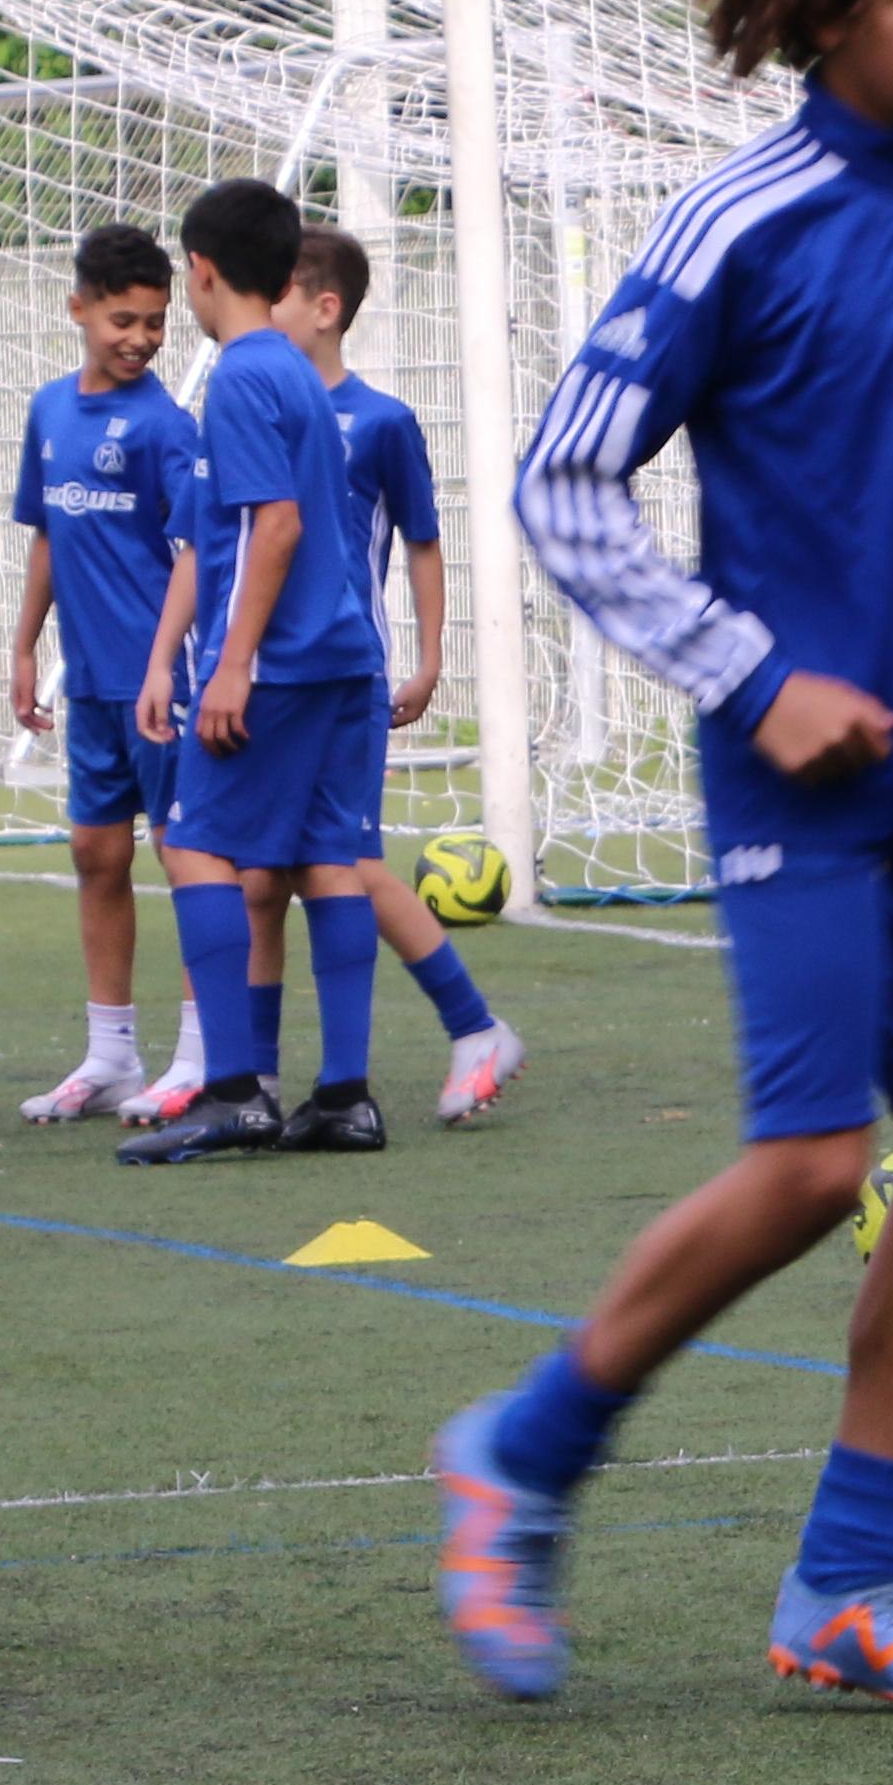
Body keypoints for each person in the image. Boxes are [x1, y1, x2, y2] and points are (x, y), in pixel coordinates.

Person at [432, 0, 893, 1713]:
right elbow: (565, 480)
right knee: (818, 1165)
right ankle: (527, 1451)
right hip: (795, 779)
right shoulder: (735, 220)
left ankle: (848, 1583)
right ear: (823, 2)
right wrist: (751, 676)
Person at [116, 175, 395, 1163]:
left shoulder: (238, 376)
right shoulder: (295, 373)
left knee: (193, 843)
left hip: (273, 665)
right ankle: (345, 1096)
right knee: (325, 857)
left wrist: (229, 668)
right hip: (339, 655)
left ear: (200, 272)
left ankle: (233, 1088)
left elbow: (272, 525)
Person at [274, 225, 526, 1127]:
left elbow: (421, 542)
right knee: (291, 867)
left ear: (324, 309)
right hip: (273, 680)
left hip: (346, 676)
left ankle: (472, 1026)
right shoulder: (258, 407)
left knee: (345, 862)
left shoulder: (379, 421)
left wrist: (427, 658)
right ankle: (252, 1076)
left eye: (278, 293)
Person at [4, 223, 203, 1124]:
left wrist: (163, 664)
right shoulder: (49, 411)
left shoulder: (167, 427)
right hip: (87, 684)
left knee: (190, 858)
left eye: (157, 323)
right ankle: (111, 1053)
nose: (141, 338)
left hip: (162, 685)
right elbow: (50, 532)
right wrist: (24, 646)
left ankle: (204, 1056)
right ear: (78, 309)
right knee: (97, 854)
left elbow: (197, 553)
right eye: (124, 319)